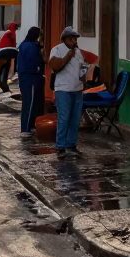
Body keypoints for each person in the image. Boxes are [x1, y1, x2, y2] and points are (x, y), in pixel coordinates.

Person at [48, 26, 90, 160]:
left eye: (75, 39)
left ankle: (72, 145)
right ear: (65, 39)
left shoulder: (78, 52)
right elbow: (55, 66)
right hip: (63, 90)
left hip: (77, 90)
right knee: (64, 119)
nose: (74, 41)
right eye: (71, 38)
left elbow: (82, 67)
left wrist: (84, 81)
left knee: (75, 119)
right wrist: (68, 56)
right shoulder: (57, 50)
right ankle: (60, 146)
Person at [17, 26, 46, 136]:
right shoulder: (31, 47)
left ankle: (29, 126)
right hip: (31, 78)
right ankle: (26, 128)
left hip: (25, 77)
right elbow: (35, 62)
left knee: (30, 102)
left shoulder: (23, 45)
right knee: (30, 103)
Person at [0, 22, 18, 90]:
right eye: (15, 28)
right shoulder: (10, 33)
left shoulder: (6, 33)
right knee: (4, 74)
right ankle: (5, 88)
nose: (16, 30)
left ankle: (3, 87)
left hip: (2, 55)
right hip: (6, 56)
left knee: (1, 73)